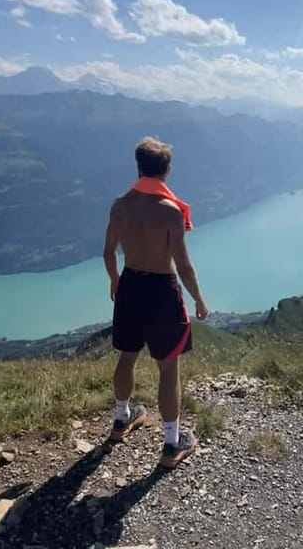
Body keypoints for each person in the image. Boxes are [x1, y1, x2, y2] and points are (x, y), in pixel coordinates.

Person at [103, 136, 209, 468]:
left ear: (139, 166)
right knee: (168, 369)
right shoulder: (170, 211)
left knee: (127, 356)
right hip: (162, 291)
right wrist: (199, 300)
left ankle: (121, 419)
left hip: (130, 285)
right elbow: (184, 265)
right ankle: (171, 444)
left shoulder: (120, 205)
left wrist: (115, 280)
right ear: (167, 170)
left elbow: (108, 252)